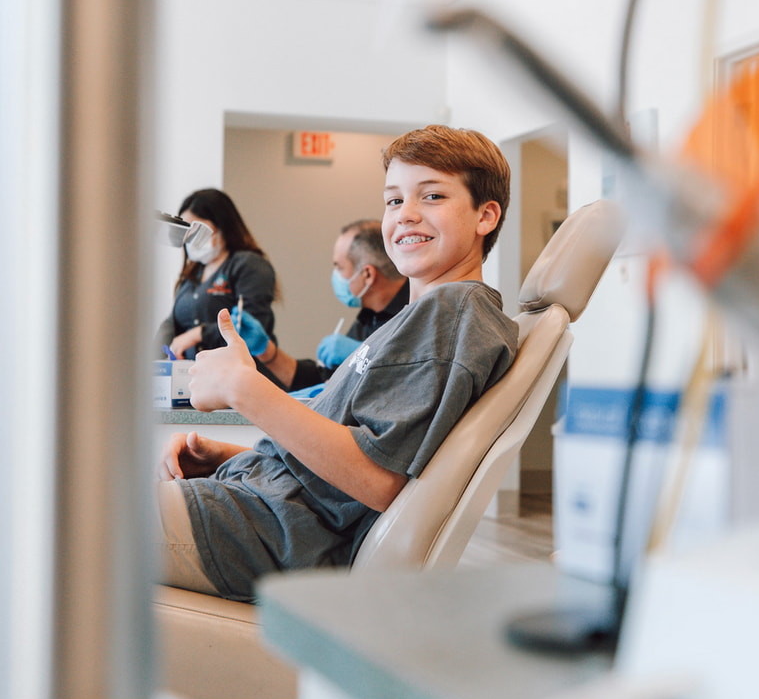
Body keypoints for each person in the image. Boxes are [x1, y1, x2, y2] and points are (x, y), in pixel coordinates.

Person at [157, 125, 518, 602]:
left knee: (55, 517)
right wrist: (231, 455)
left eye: (431, 196)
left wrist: (245, 389)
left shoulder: (451, 314)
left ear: (485, 216)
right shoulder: (418, 319)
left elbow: (378, 481)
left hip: (270, 535)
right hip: (257, 508)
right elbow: (341, 464)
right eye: (393, 201)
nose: (406, 214)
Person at [258, 219, 409, 392]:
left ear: (367, 274)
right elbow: (326, 380)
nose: (335, 275)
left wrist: (364, 355)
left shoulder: (415, 313)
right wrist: (266, 351)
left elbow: (411, 383)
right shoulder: (369, 316)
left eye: (339, 267)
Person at [154, 189, 280, 376]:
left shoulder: (248, 265)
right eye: (187, 231)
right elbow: (174, 323)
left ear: (222, 226)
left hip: (240, 377)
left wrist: (198, 334)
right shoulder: (193, 273)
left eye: (197, 229)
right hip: (196, 379)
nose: (191, 238)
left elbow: (248, 324)